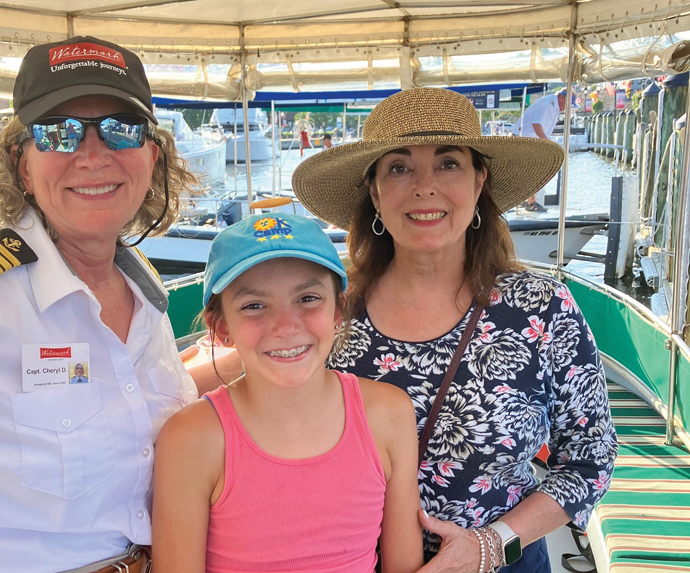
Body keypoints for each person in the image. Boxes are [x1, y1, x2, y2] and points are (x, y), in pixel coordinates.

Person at [0, 35, 238, 572]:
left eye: (121, 130)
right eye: (59, 132)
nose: (93, 155)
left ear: (152, 155)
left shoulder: (142, 293)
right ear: (22, 164)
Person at [293, 88, 617, 573]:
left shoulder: (542, 308)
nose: (425, 186)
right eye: (399, 168)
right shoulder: (329, 308)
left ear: (479, 180)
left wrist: (492, 544)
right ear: (375, 192)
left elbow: (590, 458)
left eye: (448, 164)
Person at [152, 212, 424, 573]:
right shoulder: (191, 439)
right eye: (254, 306)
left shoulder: (389, 414)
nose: (285, 326)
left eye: (308, 298)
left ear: (337, 310)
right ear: (221, 327)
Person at [513, 88, 568, 212]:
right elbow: (536, 124)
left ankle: (528, 200)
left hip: (530, 140)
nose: (567, 107)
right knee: (534, 171)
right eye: (568, 103)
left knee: (533, 171)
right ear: (562, 98)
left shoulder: (552, 105)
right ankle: (530, 202)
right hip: (524, 139)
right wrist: (547, 142)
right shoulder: (548, 104)